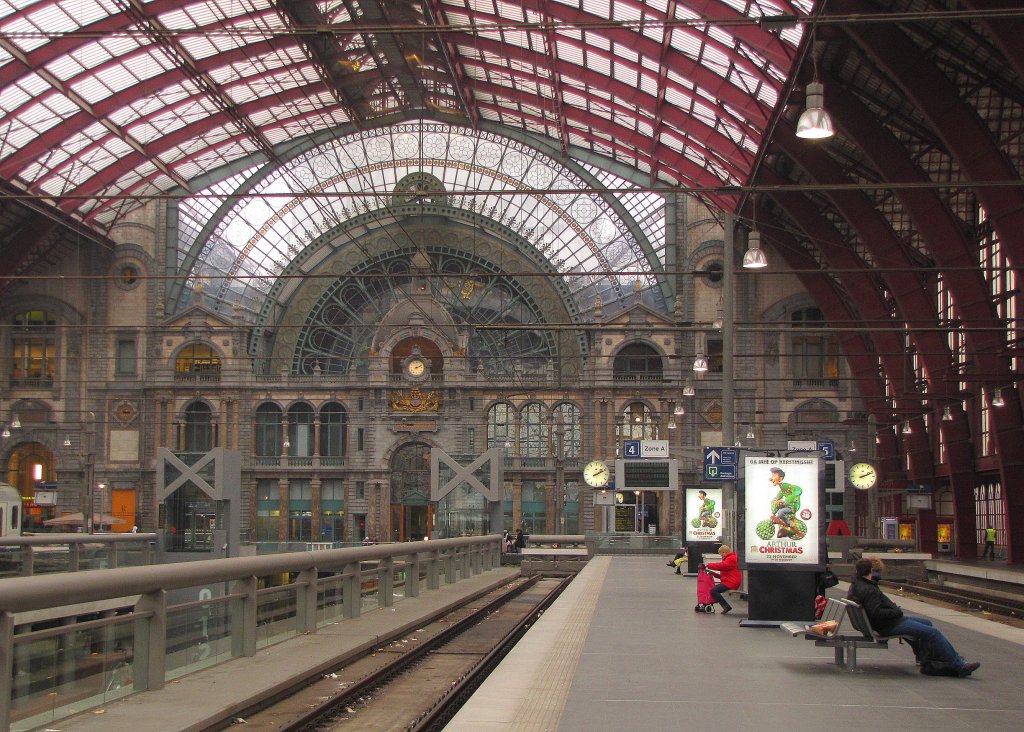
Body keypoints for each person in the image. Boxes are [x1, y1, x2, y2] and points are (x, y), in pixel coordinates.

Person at [847, 558, 980, 677]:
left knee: (927, 623)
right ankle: (959, 665)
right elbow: (876, 613)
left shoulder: (859, 584)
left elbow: (874, 610)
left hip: (884, 623)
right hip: (890, 625)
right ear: (870, 571)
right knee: (934, 633)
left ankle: (926, 660)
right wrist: (896, 611)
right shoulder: (869, 590)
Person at [705, 544, 741, 614]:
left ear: (724, 552)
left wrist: (709, 565)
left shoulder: (731, 558)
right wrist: (715, 574)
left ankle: (726, 606)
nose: (721, 556)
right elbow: (726, 572)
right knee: (714, 590)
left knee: (714, 591)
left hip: (731, 582)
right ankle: (721, 603)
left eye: (721, 554)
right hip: (730, 581)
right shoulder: (730, 558)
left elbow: (723, 566)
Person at [768, 467, 803, 538]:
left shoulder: (792, 488)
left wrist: (785, 501)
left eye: (774, 475)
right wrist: (776, 500)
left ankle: (786, 523)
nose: (771, 478)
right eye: (772, 476)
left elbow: (799, 491)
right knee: (777, 505)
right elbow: (778, 496)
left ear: (780, 478)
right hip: (787, 506)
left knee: (781, 511)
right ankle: (779, 520)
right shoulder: (782, 490)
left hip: (793, 507)